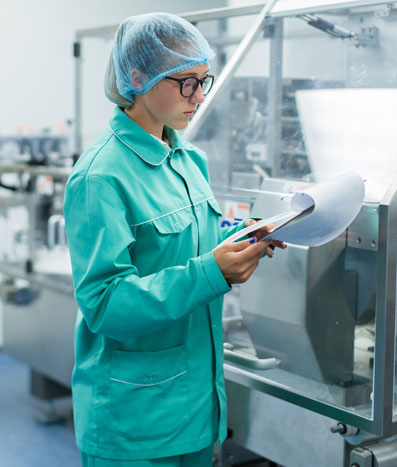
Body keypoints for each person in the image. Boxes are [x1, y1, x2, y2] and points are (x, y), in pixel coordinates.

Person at [63, 12, 285, 466]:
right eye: (187, 83)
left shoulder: (187, 159)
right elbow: (104, 304)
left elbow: (187, 246)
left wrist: (243, 236)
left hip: (197, 406)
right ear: (139, 78)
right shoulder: (100, 177)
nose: (200, 97)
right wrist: (211, 273)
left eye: (204, 80)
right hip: (135, 417)